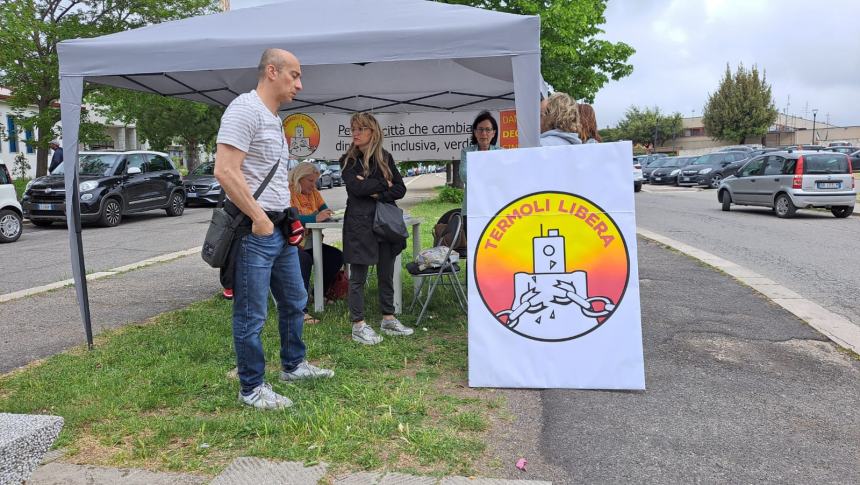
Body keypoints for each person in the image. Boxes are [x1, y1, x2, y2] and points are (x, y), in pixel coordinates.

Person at [214, 48, 333, 411]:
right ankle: (251, 388)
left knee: (295, 300)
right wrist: (261, 219)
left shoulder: (273, 117)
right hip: (256, 232)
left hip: (279, 228)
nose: (299, 83)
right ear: (271, 71)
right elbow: (225, 170)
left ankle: (293, 366)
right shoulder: (244, 110)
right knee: (251, 314)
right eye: (294, 75)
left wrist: (289, 216)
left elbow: (274, 179)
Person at [340, 112, 412, 345]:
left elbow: (400, 189)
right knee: (358, 275)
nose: (356, 133)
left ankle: (388, 318)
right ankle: (358, 324)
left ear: (373, 132)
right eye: (353, 129)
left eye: (361, 129)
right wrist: (383, 184)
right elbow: (356, 189)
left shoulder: (385, 157)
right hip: (359, 224)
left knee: (386, 272)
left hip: (384, 223)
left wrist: (373, 188)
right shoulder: (348, 160)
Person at [288, 161, 345, 324]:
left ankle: (317, 294)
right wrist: (314, 218)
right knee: (303, 260)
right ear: (299, 178)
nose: (314, 185)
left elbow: (324, 210)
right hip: (291, 244)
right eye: (310, 181)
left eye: (315, 181)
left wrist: (326, 214)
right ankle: (300, 310)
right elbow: (289, 218)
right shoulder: (287, 191)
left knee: (335, 256)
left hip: (311, 242)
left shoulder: (314, 192)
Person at [459, 111, 501, 216]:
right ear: (475, 132)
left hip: (495, 209)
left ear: (494, 133)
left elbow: (502, 178)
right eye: (480, 129)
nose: (484, 133)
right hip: (471, 209)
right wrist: (490, 177)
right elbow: (464, 175)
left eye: (488, 129)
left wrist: (477, 175)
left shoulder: (501, 153)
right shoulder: (466, 152)